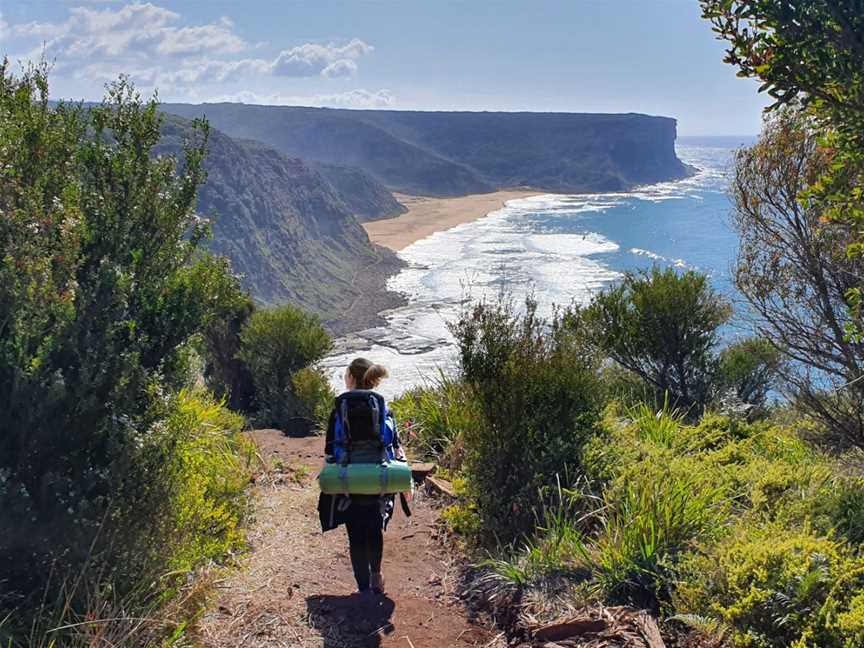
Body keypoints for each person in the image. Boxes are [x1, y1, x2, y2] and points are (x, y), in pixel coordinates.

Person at [317, 357, 406, 595]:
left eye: (346, 374)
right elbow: (394, 444)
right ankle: (377, 578)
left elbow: (329, 449)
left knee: (355, 534)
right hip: (377, 479)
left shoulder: (340, 406)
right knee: (374, 529)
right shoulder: (383, 406)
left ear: (353, 378)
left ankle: (363, 588)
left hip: (349, 481)